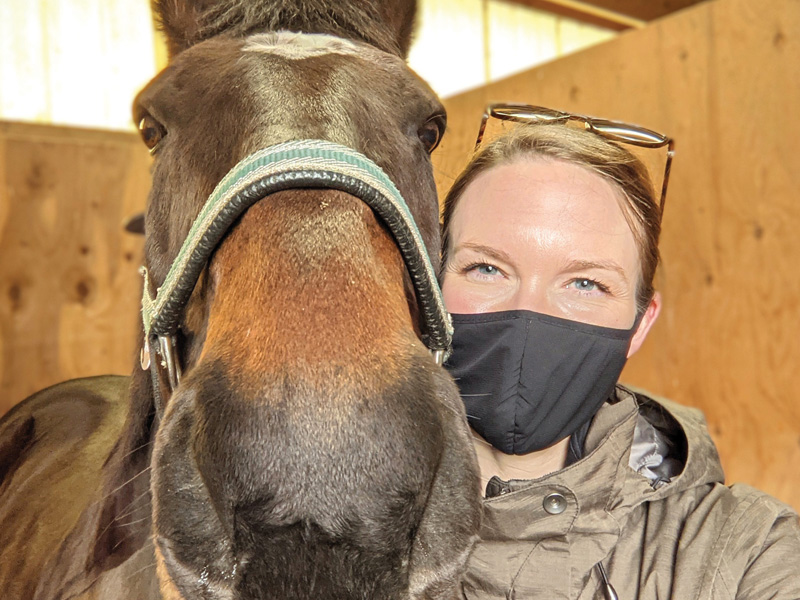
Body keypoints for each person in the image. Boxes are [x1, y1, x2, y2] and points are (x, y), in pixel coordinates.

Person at [439, 104, 800, 599]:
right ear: (429, 285)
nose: (528, 310)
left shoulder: (747, 554)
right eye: (486, 268)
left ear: (639, 324)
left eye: (585, 282)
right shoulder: (318, 528)